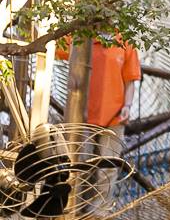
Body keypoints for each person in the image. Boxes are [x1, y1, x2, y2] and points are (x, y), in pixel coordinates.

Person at [55, 33, 141, 212]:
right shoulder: (80, 35)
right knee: (78, 165)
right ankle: (73, 210)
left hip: (114, 115)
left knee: (108, 168)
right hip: (83, 115)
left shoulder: (125, 41)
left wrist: (127, 105)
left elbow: (129, 80)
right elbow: (55, 48)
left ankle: (99, 213)